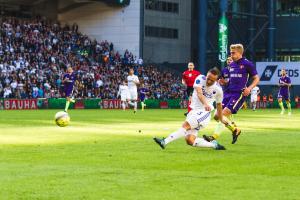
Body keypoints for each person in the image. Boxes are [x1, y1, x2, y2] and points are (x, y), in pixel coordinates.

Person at [153, 68, 226, 150]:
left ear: (216, 80)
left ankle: (165, 141)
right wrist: (205, 103)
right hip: (193, 111)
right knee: (189, 140)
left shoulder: (218, 90)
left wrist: (221, 119)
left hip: (204, 112)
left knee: (185, 126)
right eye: (208, 78)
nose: (209, 81)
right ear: (206, 75)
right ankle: (214, 145)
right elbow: (199, 93)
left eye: (212, 80)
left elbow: (219, 105)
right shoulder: (200, 78)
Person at [203, 44, 260, 144]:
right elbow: (232, 80)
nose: (231, 55)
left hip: (238, 94)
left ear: (240, 53)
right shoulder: (232, 65)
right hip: (227, 93)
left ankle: (213, 137)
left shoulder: (247, 64)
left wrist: (249, 88)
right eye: (231, 52)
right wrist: (225, 83)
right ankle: (235, 130)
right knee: (216, 116)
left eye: (233, 53)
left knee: (222, 114)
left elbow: (256, 78)